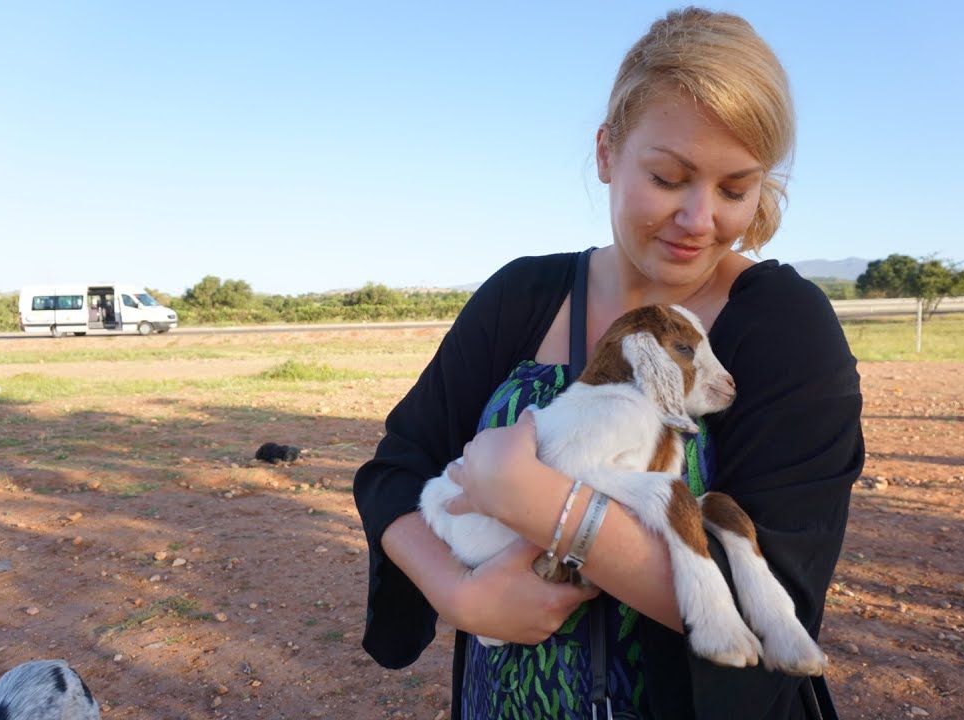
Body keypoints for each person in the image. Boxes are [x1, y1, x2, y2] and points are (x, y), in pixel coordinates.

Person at [353, 7, 864, 719]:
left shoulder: (786, 327)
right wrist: (457, 593)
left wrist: (546, 505)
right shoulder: (521, 297)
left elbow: (783, 593)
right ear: (606, 153)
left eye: (734, 189)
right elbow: (397, 469)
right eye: (668, 177)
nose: (699, 220)